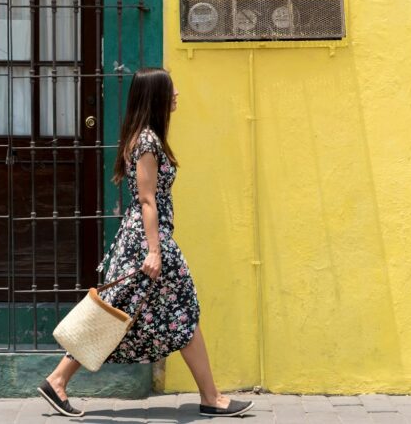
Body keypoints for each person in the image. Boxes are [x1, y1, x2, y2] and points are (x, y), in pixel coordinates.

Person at [38, 67, 253, 418]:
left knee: (122, 311)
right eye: (171, 89)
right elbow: (147, 199)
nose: (177, 93)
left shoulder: (143, 137)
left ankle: (58, 380)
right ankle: (211, 398)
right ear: (156, 96)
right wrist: (154, 250)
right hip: (148, 241)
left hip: (147, 237)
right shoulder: (148, 141)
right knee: (162, 310)